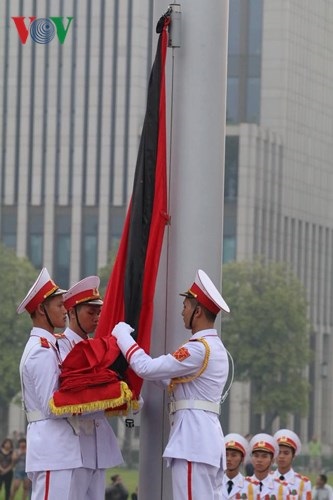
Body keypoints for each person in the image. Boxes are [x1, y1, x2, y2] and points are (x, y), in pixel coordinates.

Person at [112, 269, 230, 500]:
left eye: (186, 306)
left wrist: (122, 336)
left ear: (198, 311)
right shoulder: (213, 347)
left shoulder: (197, 348)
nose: (182, 312)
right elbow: (169, 381)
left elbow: (147, 368)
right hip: (204, 442)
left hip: (193, 444)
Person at [17, 267, 82, 500]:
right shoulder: (41, 351)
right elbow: (51, 405)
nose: (65, 311)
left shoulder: (49, 345)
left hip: (57, 448)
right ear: (42, 310)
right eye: (59, 305)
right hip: (51, 446)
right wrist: (90, 401)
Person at [58, 276, 124, 500]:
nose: (97, 318)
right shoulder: (60, 347)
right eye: (90, 312)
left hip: (97, 440)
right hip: (73, 440)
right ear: (72, 312)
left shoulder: (99, 348)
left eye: (98, 312)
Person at [246, 433, 289, 499]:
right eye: (256, 456)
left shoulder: (282, 488)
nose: (259, 460)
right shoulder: (242, 486)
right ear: (251, 459)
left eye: (264, 456)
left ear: (272, 460)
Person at [273, 429, 312, 499]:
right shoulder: (266, 480)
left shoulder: (303, 483)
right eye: (279, 452)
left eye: (286, 453)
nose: (281, 456)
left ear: (293, 456)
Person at [222, 433, 250, 499]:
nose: (228, 458)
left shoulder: (250, 486)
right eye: (226, 455)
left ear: (242, 459)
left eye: (233, 455)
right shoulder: (214, 484)